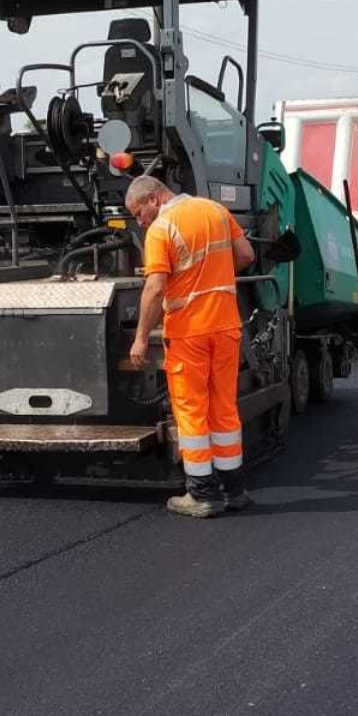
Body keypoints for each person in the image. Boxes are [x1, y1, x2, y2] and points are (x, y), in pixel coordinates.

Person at [125, 176, 257, 517]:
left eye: (138, 213)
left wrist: (140, 337)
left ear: (153, 199)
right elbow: (246, 254)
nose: (139, 222)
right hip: (226, 326)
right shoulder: (215, 210)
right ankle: (234, 489)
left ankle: (202, 494)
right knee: (224, 408)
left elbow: (155, 288)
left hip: (189, 332)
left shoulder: (161, 229)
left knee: (192, 411)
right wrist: (212, 278)